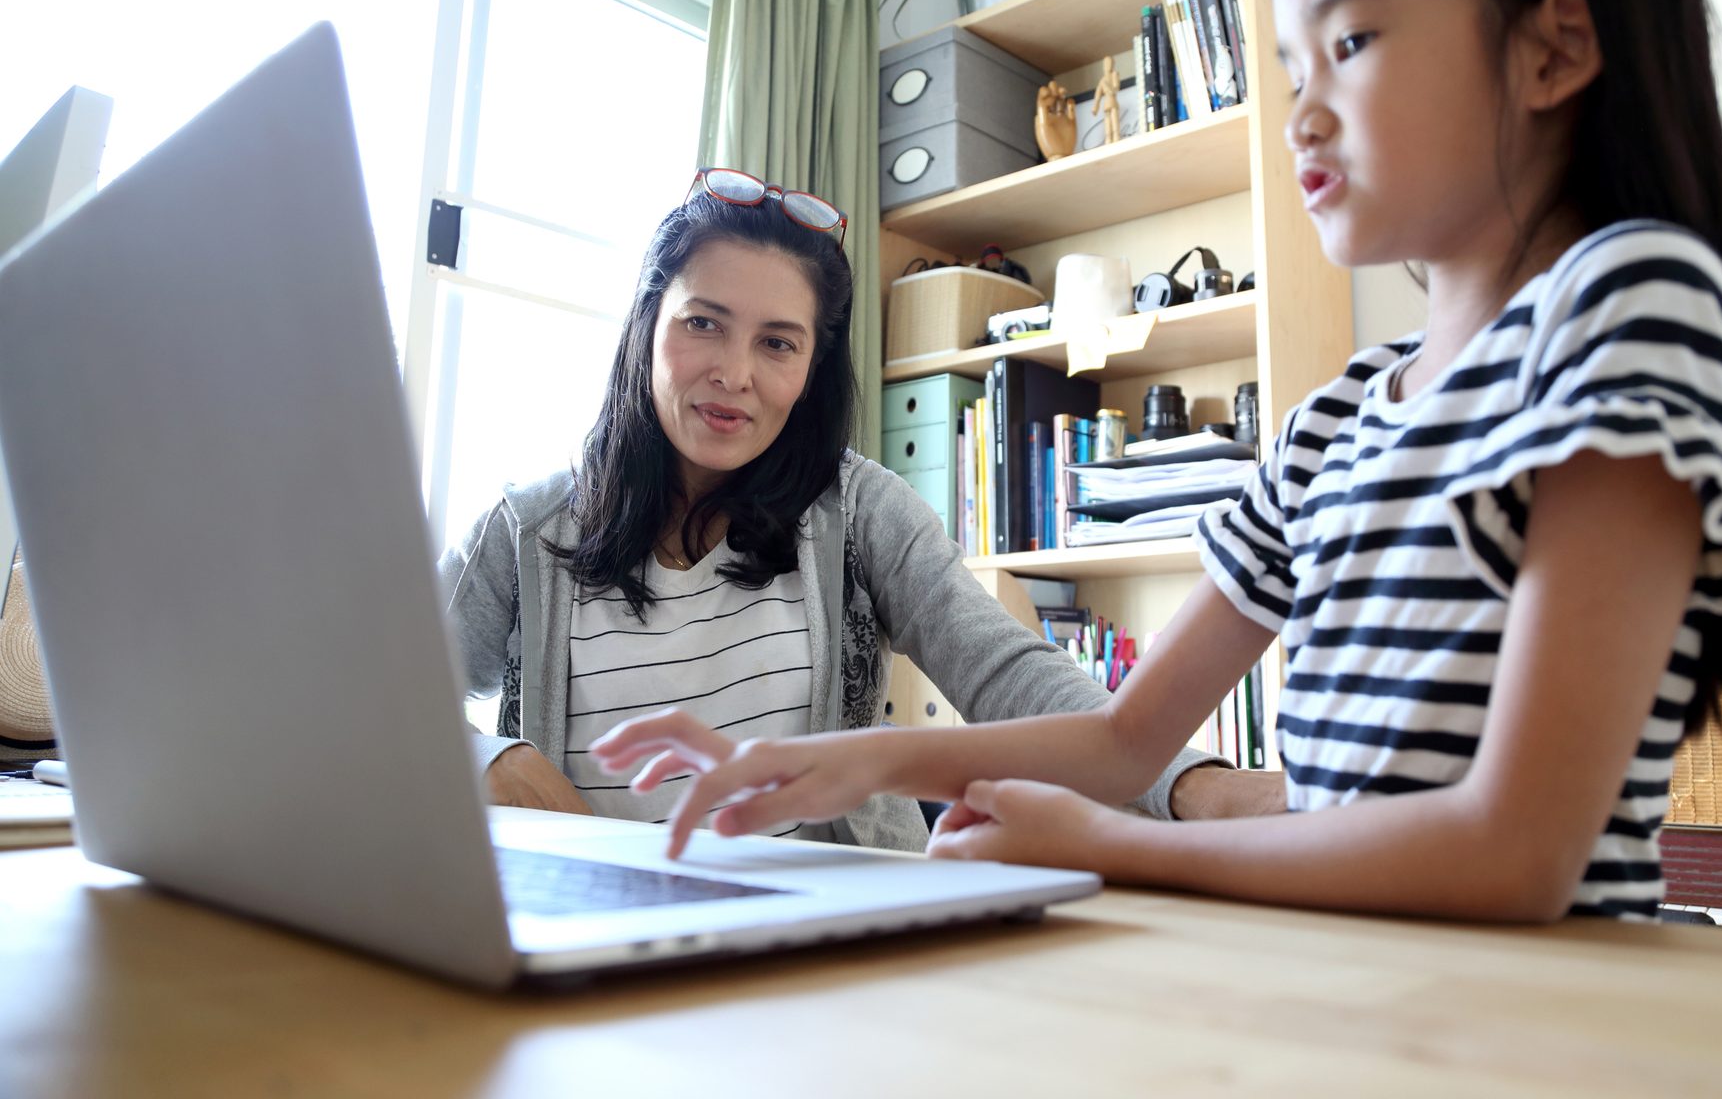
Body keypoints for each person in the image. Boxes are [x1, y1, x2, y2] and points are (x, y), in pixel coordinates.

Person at [587, 0, 1722, 922]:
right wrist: (843, 764)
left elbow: (1515, 851)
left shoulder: (1626, 304)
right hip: (1346, 997)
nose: (1299, 111)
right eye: (1291, 68)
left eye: (1350, 40)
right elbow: (1131, 733)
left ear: (1553, 48)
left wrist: (1120, 850)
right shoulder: (1341, 415)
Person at [439, 167, 1247, 851]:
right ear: (648, 323)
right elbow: (376, 691)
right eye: (703, 324)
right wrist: (489, 762)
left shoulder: (860, 512)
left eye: (777, 343)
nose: (734, 373)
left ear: (813, 366)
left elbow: (1011, 674)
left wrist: (1200, 792)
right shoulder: (526, 531)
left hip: (825, 954)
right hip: (595, 940)